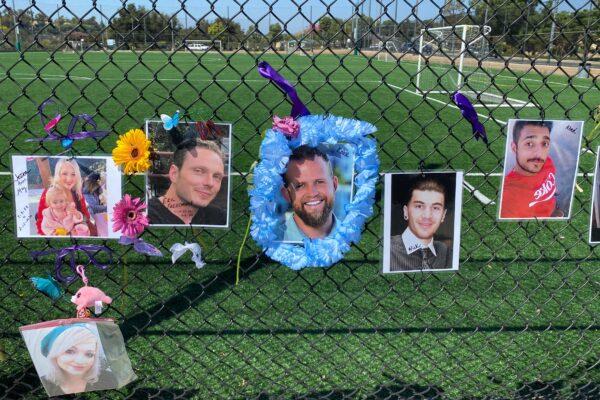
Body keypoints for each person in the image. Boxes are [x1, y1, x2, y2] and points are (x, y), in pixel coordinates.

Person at [148, 140, 227, 225]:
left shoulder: (219, 217)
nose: (210, 183)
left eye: (216, 176)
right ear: (174, 174)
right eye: (199, 171)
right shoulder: (142, 216)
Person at [500, 120, 563, 218]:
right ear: (514, 148)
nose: (539, 153)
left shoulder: (546, 162)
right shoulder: (509, 197)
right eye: (529, 144)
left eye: (544, 144)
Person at [389, 177, 452, 271]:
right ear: (406, 212)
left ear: (443, 215)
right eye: (419, 206)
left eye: (435, 208)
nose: (427, 215)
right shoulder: (388, 249)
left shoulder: (445, 251)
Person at [38, 324, 116, 396]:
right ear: (54, 355)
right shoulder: (42, 384)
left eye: (89, 354)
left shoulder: (109, 379)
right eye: (70, 351)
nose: (80, 361)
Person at [280, 145, 338, 241]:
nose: (312, 193)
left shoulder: (355, 234)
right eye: (299, 186)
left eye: (319, 182)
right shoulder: (272, 241)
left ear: (334, 184)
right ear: (286, 194)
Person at [35, 159, 94, 235]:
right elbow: (40, 225)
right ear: (58, 174)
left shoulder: (77, 192)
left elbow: (86, 216)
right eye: (64, 174)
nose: (69, 179)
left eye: (73, 174)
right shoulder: (50, 193)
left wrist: (77, 216)